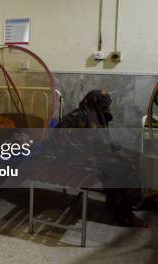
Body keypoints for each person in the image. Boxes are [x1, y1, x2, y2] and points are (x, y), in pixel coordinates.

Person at [58, 90, 146, 227]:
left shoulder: (96, 115)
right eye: (106, 106)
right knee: (121, 167)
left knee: (135, 156)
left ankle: (118, 201)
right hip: (75, 155)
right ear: (97, 105)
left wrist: (112, 148)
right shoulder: (78, 116)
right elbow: (63, 142)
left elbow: (99, 142)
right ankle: (123, 212)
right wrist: (99, 153)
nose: (109, 109)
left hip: (92, 152)